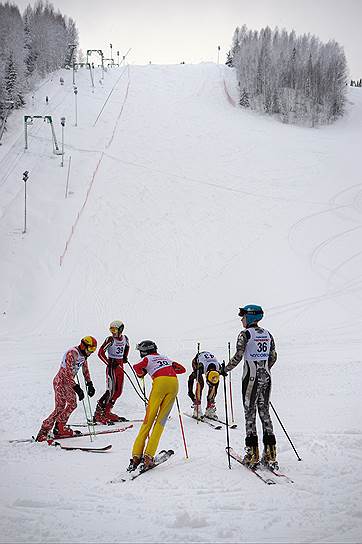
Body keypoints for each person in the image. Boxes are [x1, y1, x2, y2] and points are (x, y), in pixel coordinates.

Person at [224, 305, 278, 468]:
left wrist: (224, 369)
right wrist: (264, 368)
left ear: (251, 317)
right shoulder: (268, 334)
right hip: (266, 377)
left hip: (251, 378)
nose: (241, 319)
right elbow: (273, 356)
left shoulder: (245, 334)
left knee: (250, 414)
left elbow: (238, 356)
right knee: (265, 413)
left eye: (243, 316)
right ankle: (271, 454)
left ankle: (252, 454)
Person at [127, 340, 186, 471]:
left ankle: (136, 456)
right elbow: (182, 369)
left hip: (160, 384)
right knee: (160, 423)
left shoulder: (147, 358)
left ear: (144, 351)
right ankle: (148, 456)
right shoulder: (165, 357)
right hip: (174, 384)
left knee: (148, 421)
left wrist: (141, 373)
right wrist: (170, 368)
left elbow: (136, 367)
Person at [35, 336, 97, 441]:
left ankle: (59, 428)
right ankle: (44, 430)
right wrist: (77, 388)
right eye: (91, 349)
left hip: (68, 383)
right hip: (60, 382)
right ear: (83, 346)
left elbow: (85, 370)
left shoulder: (84, 355)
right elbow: (67, 374)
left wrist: (89, 383)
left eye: (93, 350)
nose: (91, 352)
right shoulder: (72, 353)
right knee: (60, 407)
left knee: (72, 404)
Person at [93, 320, 130, 424]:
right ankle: (98, 413)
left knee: (118, 391)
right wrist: (109, 363)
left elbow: (127, 346)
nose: (112, 332)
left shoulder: (125, 338)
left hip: (120, 366)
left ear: (120, 329)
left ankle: (107, 411)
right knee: (110, 391)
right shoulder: (110, 339)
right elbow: (100, 353)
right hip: (112, 367)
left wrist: (125, 356)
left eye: (114, 329)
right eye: (111, 329)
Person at [187, 351, 221, 420]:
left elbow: (215, 384)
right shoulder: (201, 367)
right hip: (197, 362)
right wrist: (190, 393)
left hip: (210, 365)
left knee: (214, 384)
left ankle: (209, 408)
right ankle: (197, 408)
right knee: (200, 384)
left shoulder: (218, 368)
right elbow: (190, 378)